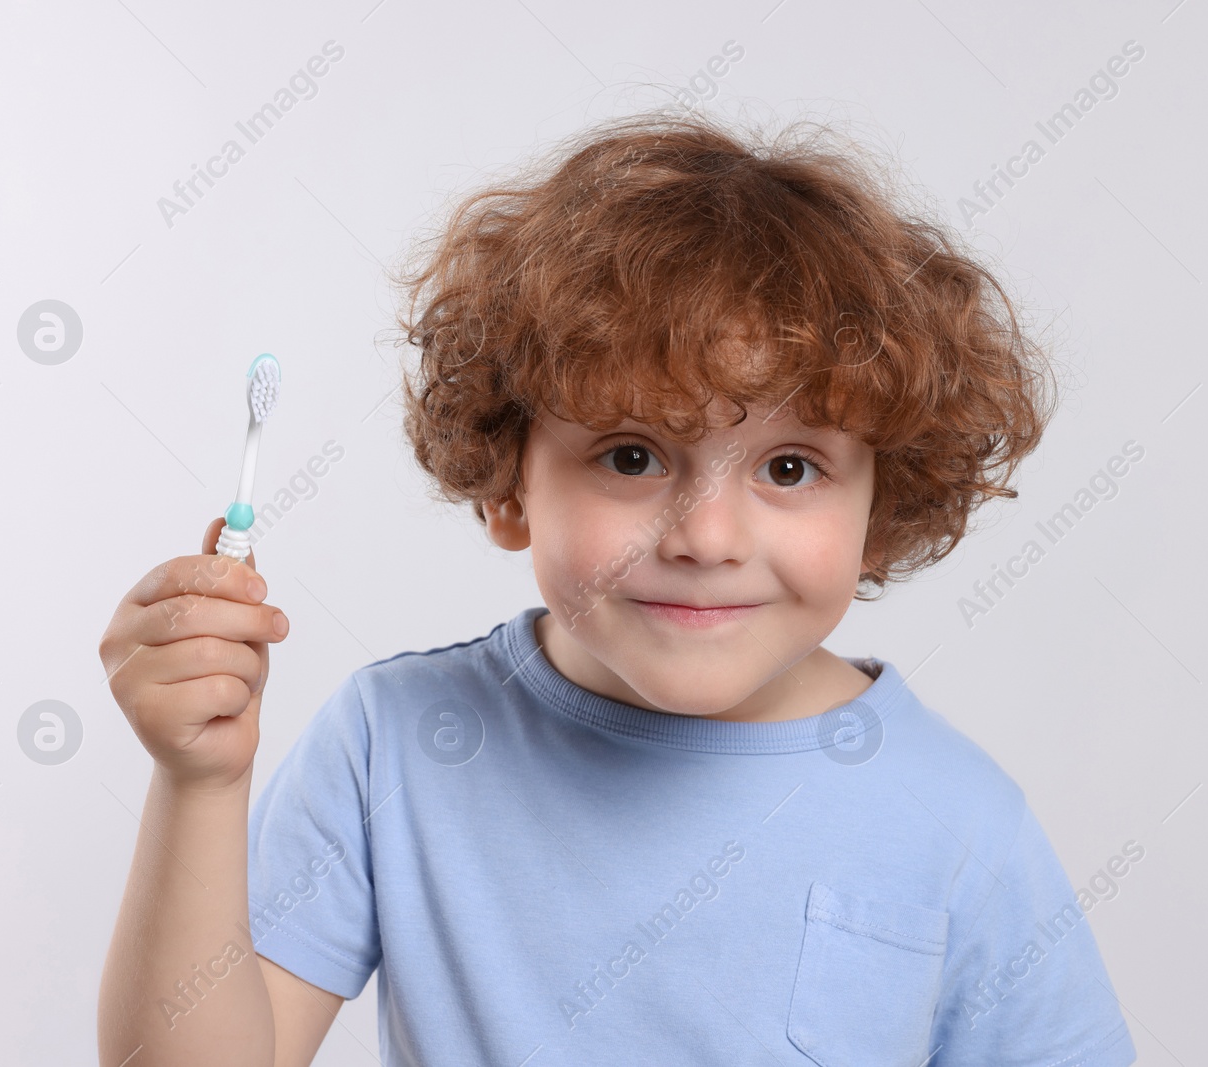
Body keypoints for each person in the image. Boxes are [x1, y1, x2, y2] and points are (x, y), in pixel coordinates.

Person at [97, 108, 1137, 1066]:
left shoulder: (957, 818)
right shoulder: (395, 745)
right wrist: (201, 785)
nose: (708, 535)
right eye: (633, 456)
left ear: (883, 506)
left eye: (788, 467)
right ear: (510, 484)